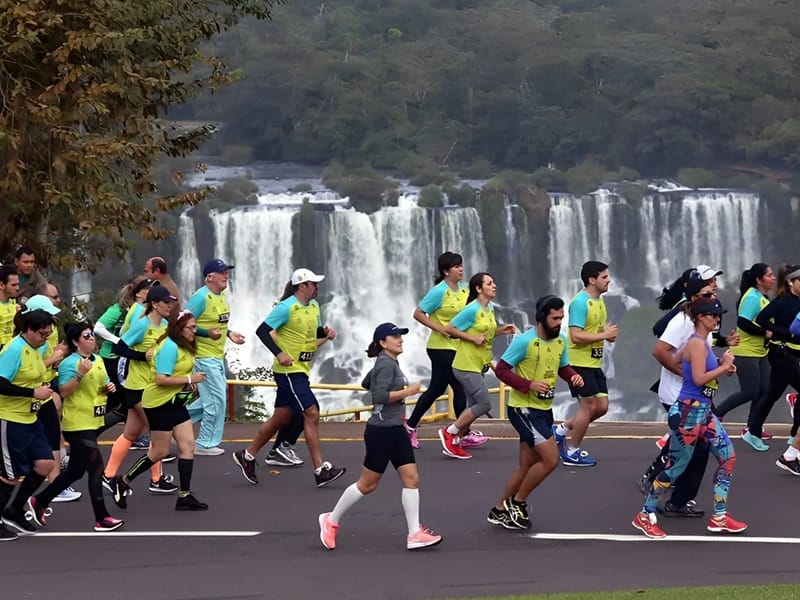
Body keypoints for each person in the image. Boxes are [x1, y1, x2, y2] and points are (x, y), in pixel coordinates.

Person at [318, 323, 442, 551]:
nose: (400, 339)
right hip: (382, 431)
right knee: (367, 484)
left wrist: (381, 377)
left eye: (400, 336)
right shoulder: (386, 363)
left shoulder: (387, 362)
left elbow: (367, 382)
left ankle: (414, 533)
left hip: (395, 428)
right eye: (395, 336)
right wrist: (408, 391)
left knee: (411, 479)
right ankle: (331, 520)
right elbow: (379, 396)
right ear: (383, 343)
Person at [632, 297, 746, 538]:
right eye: (714, 316)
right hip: (688, 413)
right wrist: (724, 365)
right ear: (701, 318)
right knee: (675, 468)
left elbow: (676, 359)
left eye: (718, 315)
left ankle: (720, 516)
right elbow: (698, 379)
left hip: (702, 412)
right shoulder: (697, 343)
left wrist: (718, 368)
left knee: (728, 457)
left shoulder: (697, 341)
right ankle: (644, 514)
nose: (717, 319)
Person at [232, 268, 346, 487]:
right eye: (313, 284)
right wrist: (279, 353)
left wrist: (326, 333)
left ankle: (247, 455)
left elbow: (311, 333)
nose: (317, 287)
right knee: (311, 413)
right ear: (302, 286)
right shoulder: (285, 308)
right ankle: (320, 470)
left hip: (301, 369)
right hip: (288, 372)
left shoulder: (313, 306)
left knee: (281, 418)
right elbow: (262, 331)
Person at [490, 296, 583, 530]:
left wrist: (572, 375)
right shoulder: (525, 342)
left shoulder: (561, 341)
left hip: (544, 409)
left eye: (562, 318)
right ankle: (517, 502)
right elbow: (501, 370)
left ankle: (499, 510)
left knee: (526, 465)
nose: (559, 322)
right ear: (542, 317)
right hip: (523, 409)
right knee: (551, 459)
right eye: (555, 318)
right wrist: (528, 384)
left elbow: (562, 366)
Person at [26, 322, 124, 531]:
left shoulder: (97, 360)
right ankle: (101, 517)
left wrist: (109, 387)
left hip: (93, 419)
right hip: (77, 423)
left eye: (92, 335)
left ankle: (39, 501)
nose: (92, 339)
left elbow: (102, 384)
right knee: (96, 466)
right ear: (75, 341)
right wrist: (79, 374)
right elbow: (64, 391)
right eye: (87, 336)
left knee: (75, 472)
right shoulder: (70, 363)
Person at [110, 310, 209, 511]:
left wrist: (188, 383)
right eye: (191, 327)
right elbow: (161, 379)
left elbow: (181, 371)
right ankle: (123, 480)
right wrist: (190, 379)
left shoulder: (185, 346)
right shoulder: (169, 347)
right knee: (159, 451)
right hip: (158, 403)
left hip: (176, 401)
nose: (194, 331)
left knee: (188, 445)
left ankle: (185, 495)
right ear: (179, 328)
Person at [639, 272, 717, 517]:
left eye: (713, 293)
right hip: (679, 394)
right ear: (693, 297)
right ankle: (675, 500)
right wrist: (687, 374)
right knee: (698, 447)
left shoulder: (703, 320)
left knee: (688, 444)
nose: (712, 297)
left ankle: (658, 483)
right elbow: (659, 350)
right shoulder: (683, 321)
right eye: (706, 294)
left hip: (693, 395)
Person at [105, 284, 178, 506]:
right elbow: (118, 348)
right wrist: (141, 356)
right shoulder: (142, 325)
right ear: (154, 304)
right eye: (166, 302)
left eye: (171, 302)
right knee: (158, 432)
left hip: (152, 387)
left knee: (131, 433)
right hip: (137, 388)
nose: (170, 306)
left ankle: (108, 475)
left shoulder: (165, 326)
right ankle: (156, 479)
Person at [438, 272, 516, 460]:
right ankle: (449, 432)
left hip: (477, 363)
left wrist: (500, 331)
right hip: (465, 365)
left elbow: (483, 335)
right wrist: (471, 338)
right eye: (489, 283)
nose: (494, 285)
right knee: (484, 403)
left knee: (472, 405)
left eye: (494, 282)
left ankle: (456, 440)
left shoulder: (489, 309)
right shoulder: (471, 309)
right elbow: (449, 329)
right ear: (478, 289)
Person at [404, 251, 472, 450]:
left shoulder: (464, 290)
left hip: (457, 346)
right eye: (456, 266)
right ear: (445, 271)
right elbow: (418, 313)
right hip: (440, 347)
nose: (461, 269)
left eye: (461, 265)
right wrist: (440, 328)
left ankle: (409, 426)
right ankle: (462, 432)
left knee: (437, 389)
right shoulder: (439, 291)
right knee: (458, 386)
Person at [0, 308, 58, 540]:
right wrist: (32, 392)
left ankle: (14, 510)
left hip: (31, 418)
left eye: (48, 334)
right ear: (28, 330)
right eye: (43, 334)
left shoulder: (36, 348)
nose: (46, 338)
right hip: (10, 420)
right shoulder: (14, 350)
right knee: (10, 475)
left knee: (45, 464)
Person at [553, 261, 617, 467]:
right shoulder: (580, 303)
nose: (609, 281)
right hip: (578, 363)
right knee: (588, 407)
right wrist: (604, 334)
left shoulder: (598, 301)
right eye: (604, 277)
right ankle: (571, 451)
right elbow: (576, 335)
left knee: (602, 407)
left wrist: (607, 336)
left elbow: (596, 331)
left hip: (594, 362)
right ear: (592, 279)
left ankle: (561, 430)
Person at [185, 258, 245, 455]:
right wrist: (206, 334)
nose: (226, 276)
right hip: (203, 356)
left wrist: (229, 333)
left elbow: (217, 324)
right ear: (210, 277)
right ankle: (204, 444)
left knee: (208, 401)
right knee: (216, 400)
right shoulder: (200, 297)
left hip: (216, 356)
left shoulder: (221, 296)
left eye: (227, 272)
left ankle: (171, 420)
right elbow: (183, 323)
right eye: (222, 273)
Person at [24, 295, 78, 503]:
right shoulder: (23, 343)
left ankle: (56, 485)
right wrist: (54, 358)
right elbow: (28, 369)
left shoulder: (47, 334)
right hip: (29, 395)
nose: (48, 328)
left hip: (44, 390)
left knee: (53, 433)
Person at [715, 264, 775, 445]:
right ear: (759, 279)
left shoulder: (761, 296)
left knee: (764, 391)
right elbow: (743, 322)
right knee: (750, 391)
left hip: (760, 352)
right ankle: (715, 415)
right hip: (745, 351)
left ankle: (753, 428)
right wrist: (765, 332)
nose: (773, 278)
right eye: (770, 275)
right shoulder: (751, 297)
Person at [745, 264, 800, 451]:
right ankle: (794, 436)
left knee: (772, 394)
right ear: (792, 283)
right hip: (781, 353)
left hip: (792, 353)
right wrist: (784, 333)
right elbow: (762, 319)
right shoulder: (783, 301)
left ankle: (753, 432)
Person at [0, 265, 20, 350]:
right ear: (1, 285)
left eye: (18, 284)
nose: (17, 288)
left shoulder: (15, 305)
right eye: (13, 285)